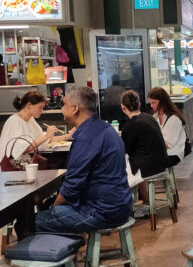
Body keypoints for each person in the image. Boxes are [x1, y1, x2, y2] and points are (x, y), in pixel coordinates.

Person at [35, 86, 133, 235]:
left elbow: (72, 186)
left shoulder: (86, 137)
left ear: (74, 108)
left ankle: (62, 252)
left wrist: (55, 207)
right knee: (50, 208)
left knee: (29, 223)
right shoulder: (104, 129)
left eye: (64, 104)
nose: (61, 108)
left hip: (101, 212)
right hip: (121, 205)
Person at [120, 90, 169, 217]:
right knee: (130, 168)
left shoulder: (129, 126)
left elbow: (124, 150)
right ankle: (146, 205)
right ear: (139, 105)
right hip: (161, 163)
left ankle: (123, 213)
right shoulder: (150, 118)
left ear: (123, 107)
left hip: (148, 168)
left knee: (116, 176)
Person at [0, 89, 57, 161]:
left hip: (25, 163)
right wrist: (46, 136)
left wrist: (67, 136)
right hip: (12, 168)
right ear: (29, 105)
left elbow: (40, 140)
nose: (42, 110)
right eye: (40, 107)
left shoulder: (30, 119)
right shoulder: (15, 121)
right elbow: (23, 149)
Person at [148, 86, 186, 166]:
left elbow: (168, 144)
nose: (151, 105)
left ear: (162, 101)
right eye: (150, 103)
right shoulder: (155, 117)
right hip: (162, 151)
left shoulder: (174, 119)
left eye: (153, 102)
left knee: (142, 160)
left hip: (173, 153)